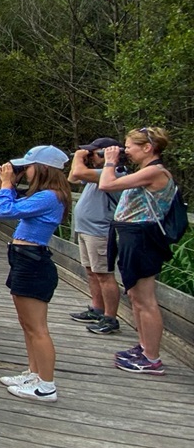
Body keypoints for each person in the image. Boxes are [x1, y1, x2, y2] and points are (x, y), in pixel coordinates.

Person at [0, 145, 71, 402]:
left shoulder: (50, 196)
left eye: (27, 167)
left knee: (37, 328)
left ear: (43, 168)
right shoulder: (45, 195)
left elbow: (4, 211)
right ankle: (34, 373)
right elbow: (15, 206)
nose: (24, 171)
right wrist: (10, 186)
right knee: (27, 325)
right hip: (24, 259)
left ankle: (46, 386)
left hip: (33, 263)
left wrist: (5, 183)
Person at [99, 127, 177, 375]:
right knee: (135, 296)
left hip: (143, 238)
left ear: (147, 147)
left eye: (130, 146)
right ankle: (144, 347)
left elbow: (106, 184)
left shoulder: (155, 171)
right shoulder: (145, 171)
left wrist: (110, 162)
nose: (126, 151)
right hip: (132, 236)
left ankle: (152, 358)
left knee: (145, 299)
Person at [67, 138, 124, 334]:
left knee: (104, 275)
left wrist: (79, 157)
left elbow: (77, 172)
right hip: (87, 230)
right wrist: (83, 158)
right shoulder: (97, 174)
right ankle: (97, 309)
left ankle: (110, 317)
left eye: (93, 152)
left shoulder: (114, 172)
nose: (90, 156)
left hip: (100, 232)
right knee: (92, 272)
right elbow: (72, 179)